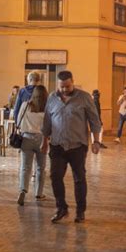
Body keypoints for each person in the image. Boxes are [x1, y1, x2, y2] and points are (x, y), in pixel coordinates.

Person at [41, 71, 101, 223]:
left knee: (79, 178)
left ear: (73, 82)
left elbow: (94, 120)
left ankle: (80, 211)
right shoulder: (52, 98)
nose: (64, 90)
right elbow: (47, 121)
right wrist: (44, 140)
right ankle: (61, 208)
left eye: (67, 86)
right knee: (55, 177)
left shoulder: (84, 97)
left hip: (77, 146)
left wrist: (96, 141)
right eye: (61, 87)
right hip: (57, 145)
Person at [16, 85, 48, 206]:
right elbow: (48, 126)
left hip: (26, 138)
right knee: (40, 167)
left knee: (25, 167)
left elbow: (18, 119)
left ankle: (23, 190)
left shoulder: (25, 105)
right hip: (41, 139)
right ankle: (38, 194)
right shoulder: (46, 108)